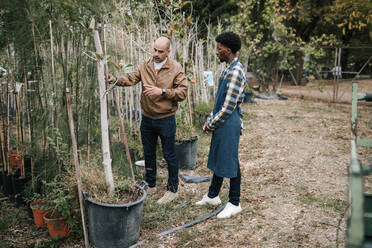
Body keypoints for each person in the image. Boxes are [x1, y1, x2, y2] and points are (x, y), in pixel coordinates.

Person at [106, 37, 188, 204]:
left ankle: (173, 189)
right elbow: (130, 79)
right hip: (147, 118)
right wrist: (114, 80)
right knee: (148, 152)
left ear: (168, 52)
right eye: (154, 50)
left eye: (160, 51)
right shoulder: (145, 65)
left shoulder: (175, 68)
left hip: (166, 119)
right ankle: (151, 184)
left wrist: (162, 91)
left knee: (169, 154)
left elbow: (182, 93)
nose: (155, 54)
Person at [195, 32, 247, 218]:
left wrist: (212, 123)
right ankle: (213, 196)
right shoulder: (227, 68)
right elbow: (219, 101)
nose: (216, 52)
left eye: (219, 48)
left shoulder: (235, 72)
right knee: (219, 156)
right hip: (222, 121)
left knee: (230, 159)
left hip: (228, 121)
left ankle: (235, 202)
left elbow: (227, 108)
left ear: (229, 49)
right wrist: (210, 118)